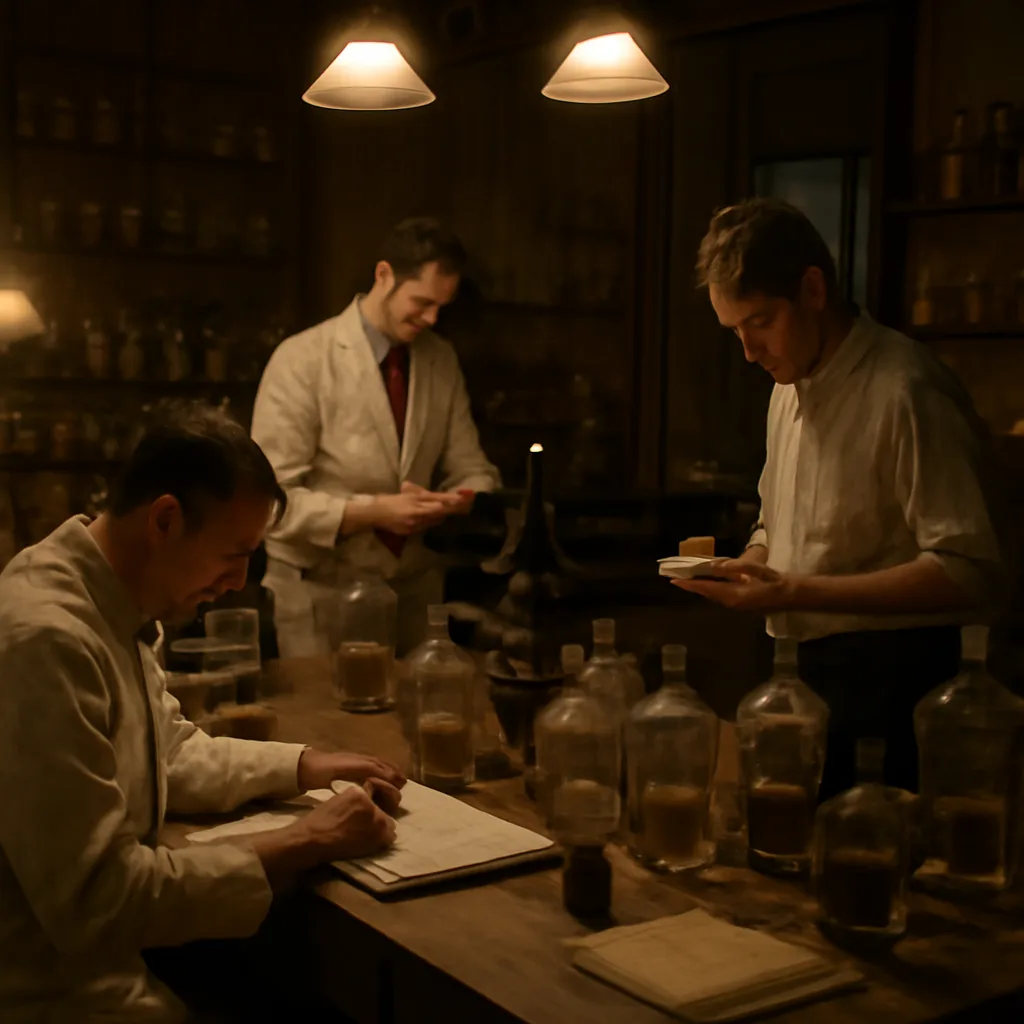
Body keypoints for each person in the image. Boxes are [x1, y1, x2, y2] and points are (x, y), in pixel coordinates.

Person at [0, 402, 405, 1024]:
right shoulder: (46, 638)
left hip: (113, 968)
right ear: (164, 519)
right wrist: (303, 839)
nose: (240, 580)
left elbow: (172, 752)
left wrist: (307, 765)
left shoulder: (110, 598)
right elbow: (99, 900)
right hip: (48, 993)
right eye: (233, 552)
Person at [677, 198, 1004, 798]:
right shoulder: (787, 385)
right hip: (797, 674)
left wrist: (797, 589)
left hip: (893, 682)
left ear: (812, 289)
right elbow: (777, 521)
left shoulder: (905, 389)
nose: (749, 351)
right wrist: (752, 563)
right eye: (735, 332)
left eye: (761, 322)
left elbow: (972, 570)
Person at [252, 216, 501, 656]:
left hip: (414, 593)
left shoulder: (439, 360)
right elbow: (270, 502)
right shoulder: (302, 358)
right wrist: (374, 512)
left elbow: (473, 467)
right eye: (422, 302)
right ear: (383, 275)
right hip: (319, 595)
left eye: (443, 306)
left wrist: (460, 499)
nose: (432, 318)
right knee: (324, 724)